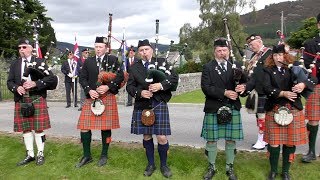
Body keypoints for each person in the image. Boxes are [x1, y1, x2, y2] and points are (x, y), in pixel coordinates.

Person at [126, 39, 178, 178]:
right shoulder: (134, 67)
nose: (144, 53)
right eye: (141, 50)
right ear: (138, 53)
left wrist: (160, 85)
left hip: (159, 103)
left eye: (146, 49)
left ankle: (164, 165)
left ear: (152, 50)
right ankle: (150, 164)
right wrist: (140, 93)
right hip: (142, 105)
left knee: (161, 137)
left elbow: (174, 79)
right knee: (147, 135)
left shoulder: (162, 62)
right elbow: (129, 86)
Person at [263, 44, 314, 180]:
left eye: (280, 55)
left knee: (290, 142)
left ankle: (285, 171)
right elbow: (266, 88)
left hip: (293, 109)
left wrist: (303, 84)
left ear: (285, 56)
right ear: (272, 57)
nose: (278, 57)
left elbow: (312, 80)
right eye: (275, 55)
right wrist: (283, 93)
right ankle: (273, 171)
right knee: (273, 143)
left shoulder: (295, 67)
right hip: (274, 108)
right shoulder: (268, 70)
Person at [201, 38, 247, 180]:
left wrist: (243, 88)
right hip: (214, 107)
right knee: (211, 140)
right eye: (219, 51)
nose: (222, 53)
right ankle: (211, 167)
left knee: (231, 140)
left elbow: (245, 85)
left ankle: (229, 167)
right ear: (214, 52)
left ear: (228, 51)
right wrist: (224, 92)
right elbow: (206, 87)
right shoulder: (208, 67)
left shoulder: (236, 65)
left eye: (224, 50)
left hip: (232, 106)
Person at [7, 38, 58, 166]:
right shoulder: (15, 64)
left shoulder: (40, 62)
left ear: (30, 48)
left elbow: (51, 79)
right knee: (26, 129)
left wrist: (35, 83)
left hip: (36, 97)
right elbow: (9, 81)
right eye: (19, 48)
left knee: (39, 128)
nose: (21, 50)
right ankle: (30, 154)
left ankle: (40, 153)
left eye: (24, 47)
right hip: (21, 99)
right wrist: (16, 87)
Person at [76, 36, 124, 168]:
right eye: (96, 47)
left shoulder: (113, 60)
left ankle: (104, 154)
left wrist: (108, 86)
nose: (97, 49)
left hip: (107, 96)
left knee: (105, 127)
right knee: (84, 127)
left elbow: (121, 76)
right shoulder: (88, 61)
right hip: (91, 97)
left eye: (100, 47)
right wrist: (89, 90)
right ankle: (87, 156)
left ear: (106, 48)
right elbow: (82, 78)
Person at [243, 34, 272, 150]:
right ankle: (264, 139)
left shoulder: (268, 54)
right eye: (249, 45)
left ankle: (262, 140)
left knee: (262, 116)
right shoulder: (255, 56)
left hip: (264, 90)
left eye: (252, 44)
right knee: (259, 116)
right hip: (256, 90)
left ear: (259, 42)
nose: (250, 47)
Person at [301, 12, 320, 163]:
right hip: (317, 85)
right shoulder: (311, 44)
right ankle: (311, 151)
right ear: (318, 25)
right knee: (313, 119)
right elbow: (308, 68)